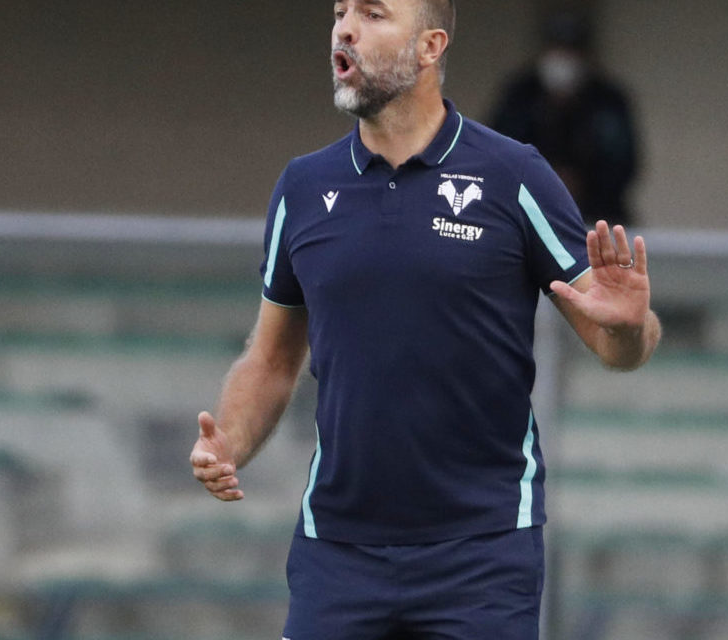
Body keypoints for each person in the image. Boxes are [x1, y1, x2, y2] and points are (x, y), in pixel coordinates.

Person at [190, 1, 660, 638]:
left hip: (483, 552)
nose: (345, 28)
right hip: (338, 550)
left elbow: (617, 346)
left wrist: (631, 325)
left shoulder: (512, 174)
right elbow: (271, 358)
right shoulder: (302, 188)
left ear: (430, 46)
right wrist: (231, 444)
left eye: (374, 14)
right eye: (340, 13)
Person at [490, 9, 642, 227]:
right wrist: (545, 177)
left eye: (571, 51)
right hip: (524, 212)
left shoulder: (608, 99)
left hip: (597, 217)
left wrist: (583, 183)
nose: (563, 60)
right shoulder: (521, 94)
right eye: (557, 49)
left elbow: (625, 161)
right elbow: (498, 149)